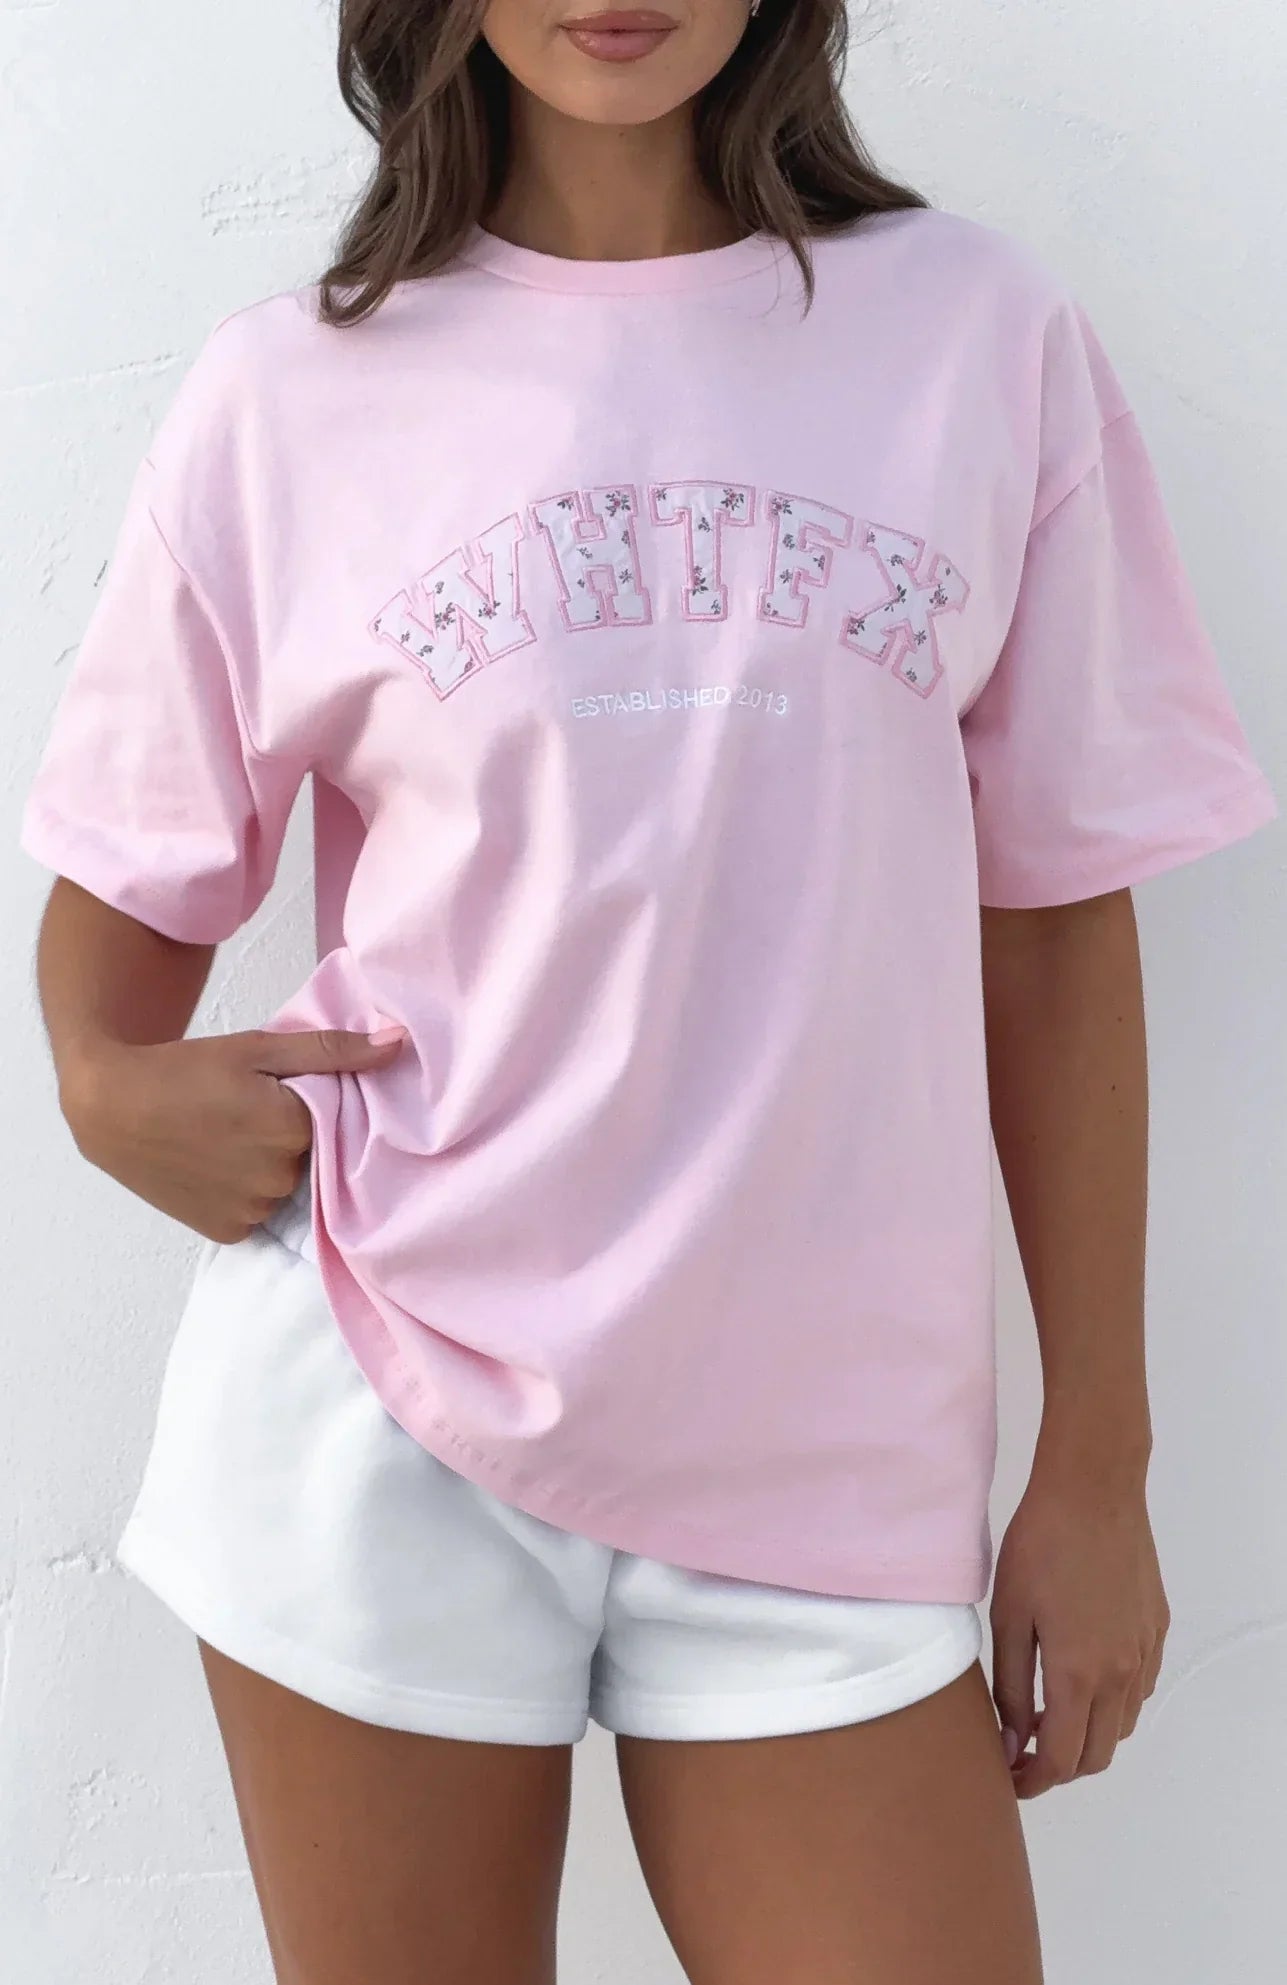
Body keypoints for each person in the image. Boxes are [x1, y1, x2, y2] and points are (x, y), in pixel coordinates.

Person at [19, 0, 1277, 1980]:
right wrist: (105, 1089)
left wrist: (1097, 1463)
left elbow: (1049, 922)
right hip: (379, 1413)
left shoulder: (975, 337)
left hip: (826, 1468)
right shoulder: (290, 393)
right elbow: (120, 905)